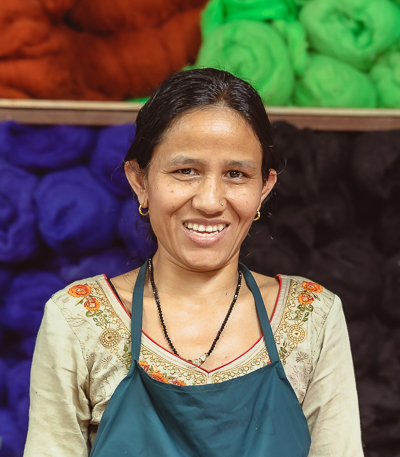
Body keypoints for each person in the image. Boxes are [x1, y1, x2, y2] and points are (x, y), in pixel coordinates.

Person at [24, 68, 364, 457]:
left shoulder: (313, 317)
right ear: (140, 180)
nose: (210, 201)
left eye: (236, 174)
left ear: (264, 188)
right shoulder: (77, 319)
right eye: (186, 171)